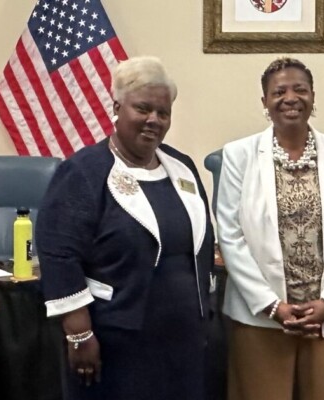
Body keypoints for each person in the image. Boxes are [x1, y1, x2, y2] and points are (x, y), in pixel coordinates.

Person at [37, 56, 215, 400]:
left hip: (182, 342)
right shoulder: (84, 172)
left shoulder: (182, 167)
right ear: (117, 107)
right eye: (143, 108)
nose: (154, 120)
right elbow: (59, 254)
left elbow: (200, 243)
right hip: (115, 345)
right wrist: (79, 334)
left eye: (163, 113)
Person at [215, 57, 324, 400]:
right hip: (259, 318)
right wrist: (270, 305)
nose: (290, 97)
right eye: (279, 91)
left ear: (313, 97)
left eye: (300, 89)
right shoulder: (238, 155)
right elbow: (230, 234)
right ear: (265, 102)